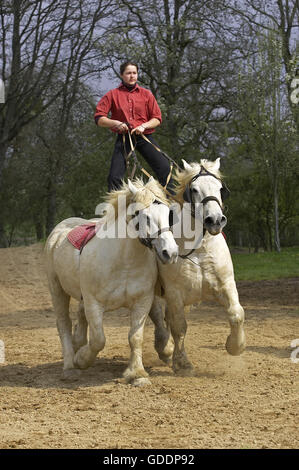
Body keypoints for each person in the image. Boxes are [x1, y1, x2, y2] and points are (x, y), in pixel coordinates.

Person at [94, 61, 173, 192]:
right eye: (128, 73)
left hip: (143, 136)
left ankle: (174, 207)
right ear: (121, 75)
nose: (132, 76)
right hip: (124, 138)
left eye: (134, 73)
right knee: (114, 177)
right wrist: (116, 123)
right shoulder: (112, 94)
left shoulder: (146, 94)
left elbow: (157, 118)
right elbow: (99, 118)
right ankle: (116, 210)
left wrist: (143, 126)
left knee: (165, 168)